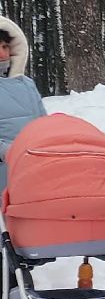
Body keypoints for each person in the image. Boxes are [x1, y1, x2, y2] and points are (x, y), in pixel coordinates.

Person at [0, 17, 48, 197]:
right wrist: (6, 151)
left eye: (5, 47)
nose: (2, 53)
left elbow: (42, 123)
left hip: (30, 169)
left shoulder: (26, 84)